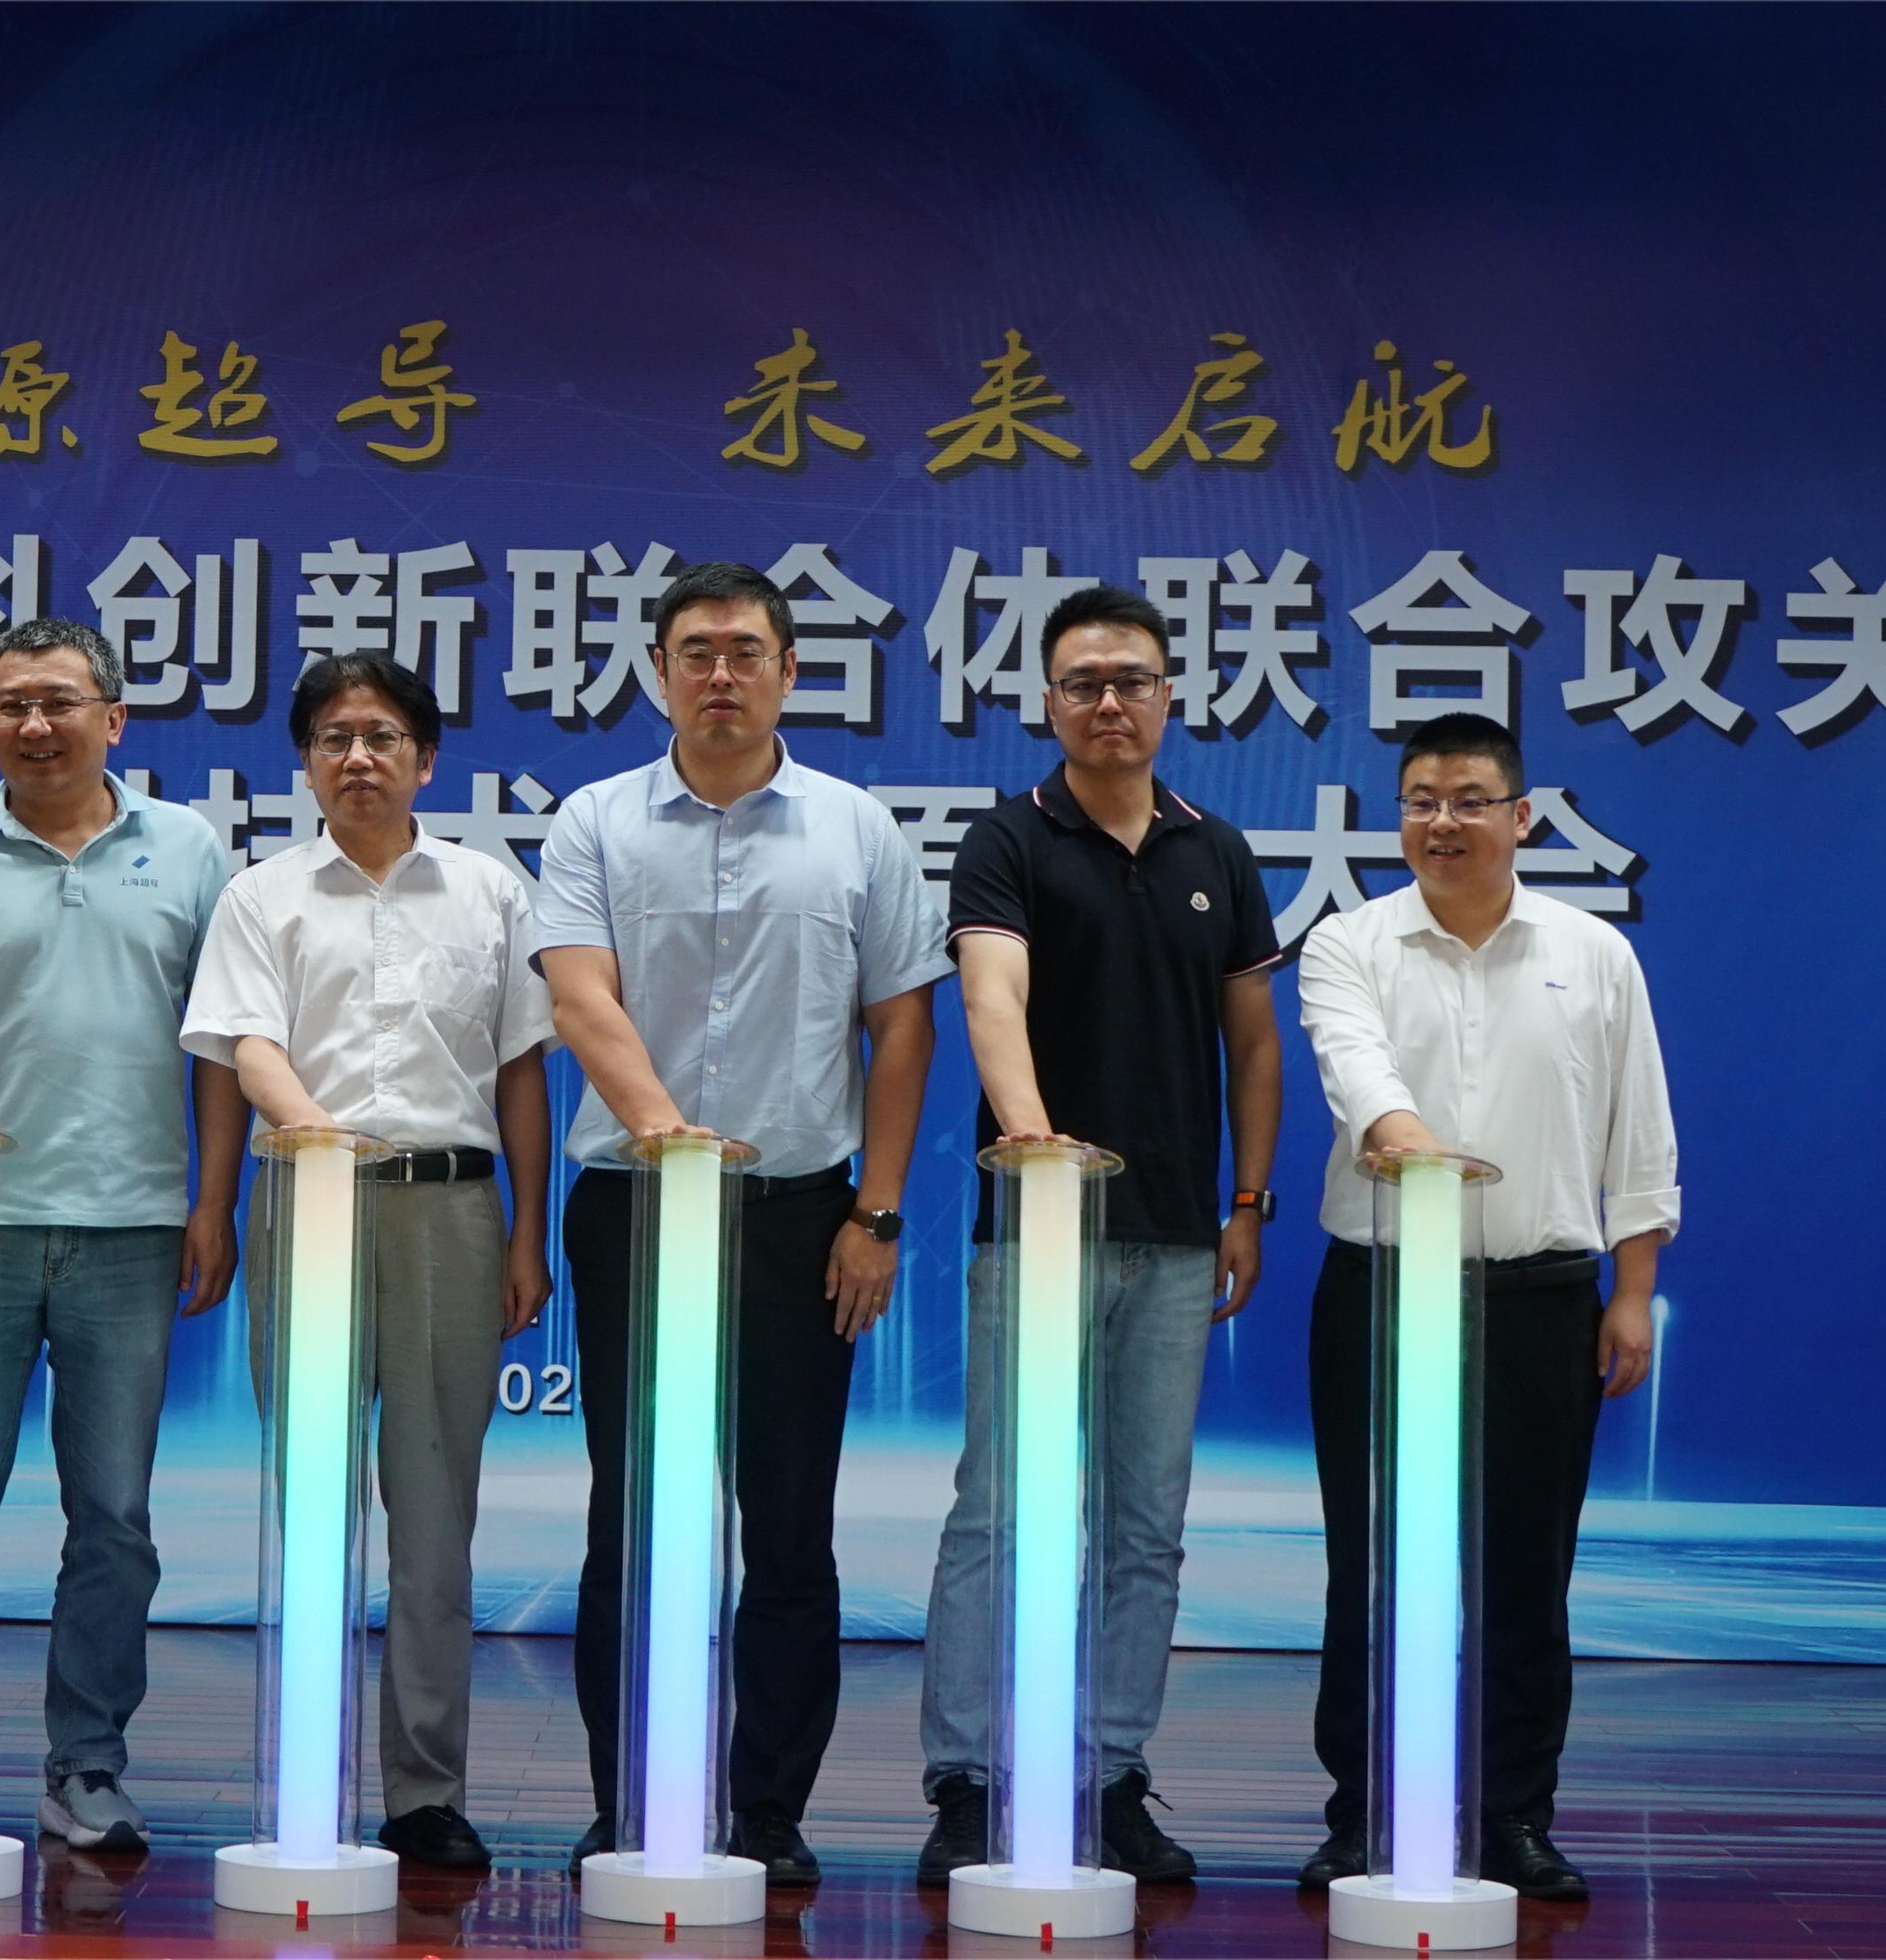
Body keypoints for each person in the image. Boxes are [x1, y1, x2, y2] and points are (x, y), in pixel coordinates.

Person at [534, 560, 949, 1885]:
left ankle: (769, 1809)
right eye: (697, 652)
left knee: (789, 1527)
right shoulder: (595, 823)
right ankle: (631, 1799)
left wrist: (878, 1211)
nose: (722, 673)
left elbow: (901, 1027)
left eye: (747, 652)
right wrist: (676, 1142)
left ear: (788, 672)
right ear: (659, 671)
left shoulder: (856, 830)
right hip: (637, 1209)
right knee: (632, 1524)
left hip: (803, 1220)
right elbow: (580, 1000)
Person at [914, 586, 1284, 1885]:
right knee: (999, 1512)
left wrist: (1248, 1202)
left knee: (1145, 1526)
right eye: (1083, 683)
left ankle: (1108, 1772)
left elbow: (1253, 1043)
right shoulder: (1008, 838)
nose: (1108, 702)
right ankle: (967, 1782)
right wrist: (1035, 1146)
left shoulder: (1216, 851)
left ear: (1169, 696)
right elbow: (991, 995)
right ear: (1048, 702)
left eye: (1130, 680)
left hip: (1178, 1237)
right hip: (1038, 1234)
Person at [180, 652, 557, 1870]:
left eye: (383, 736)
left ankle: (425, 1792)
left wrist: (529, 1232)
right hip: (310, 1207)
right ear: (306, 761)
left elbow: (520, 1072)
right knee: (313, 1505)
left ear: (425, 759)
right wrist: (294, 1160)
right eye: (334, 737)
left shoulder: (490, 893)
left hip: (453, 1212)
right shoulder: (263, 896)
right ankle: (308, 1774)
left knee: (437, 1521)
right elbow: (246, 1048)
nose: (358, 757)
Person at [1294, 711, 1679, 1903]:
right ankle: (1365, 1815)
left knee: (1524, 1574)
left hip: (1541, 1298)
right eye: (1420, 800)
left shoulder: (1593, 954)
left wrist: (1633, 1293)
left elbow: (1640, 1130)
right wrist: (1411, 1144)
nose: (1442, 821)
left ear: (1522, 817)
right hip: (1382, 1287)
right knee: (1372, 1567)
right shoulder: (1347, 943)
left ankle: (1512, 1815)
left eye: (1468, 800)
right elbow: (1355, 1069)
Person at [0, 616, 246, 1852]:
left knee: (114, 1521)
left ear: (114, 718)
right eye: (12, 705)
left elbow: (220, 1045)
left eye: (60, 702)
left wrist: (213, 1201)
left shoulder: (188, 848)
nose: (35, 726)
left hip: (132, 1229)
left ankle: (85, 1765)